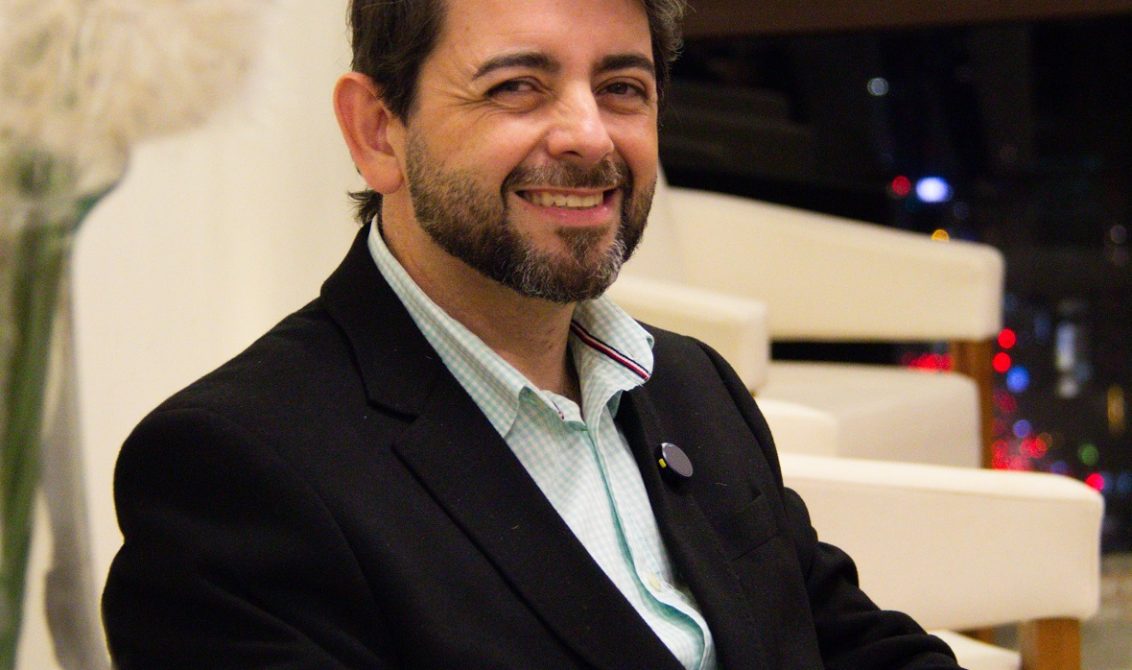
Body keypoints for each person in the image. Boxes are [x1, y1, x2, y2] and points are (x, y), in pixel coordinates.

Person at [101, 0, 964, 668]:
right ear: (377, 132)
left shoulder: (690, 386)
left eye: (622, 88)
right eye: (517, 86)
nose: (588, 135)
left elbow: (844, 641)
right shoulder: (233, 470)